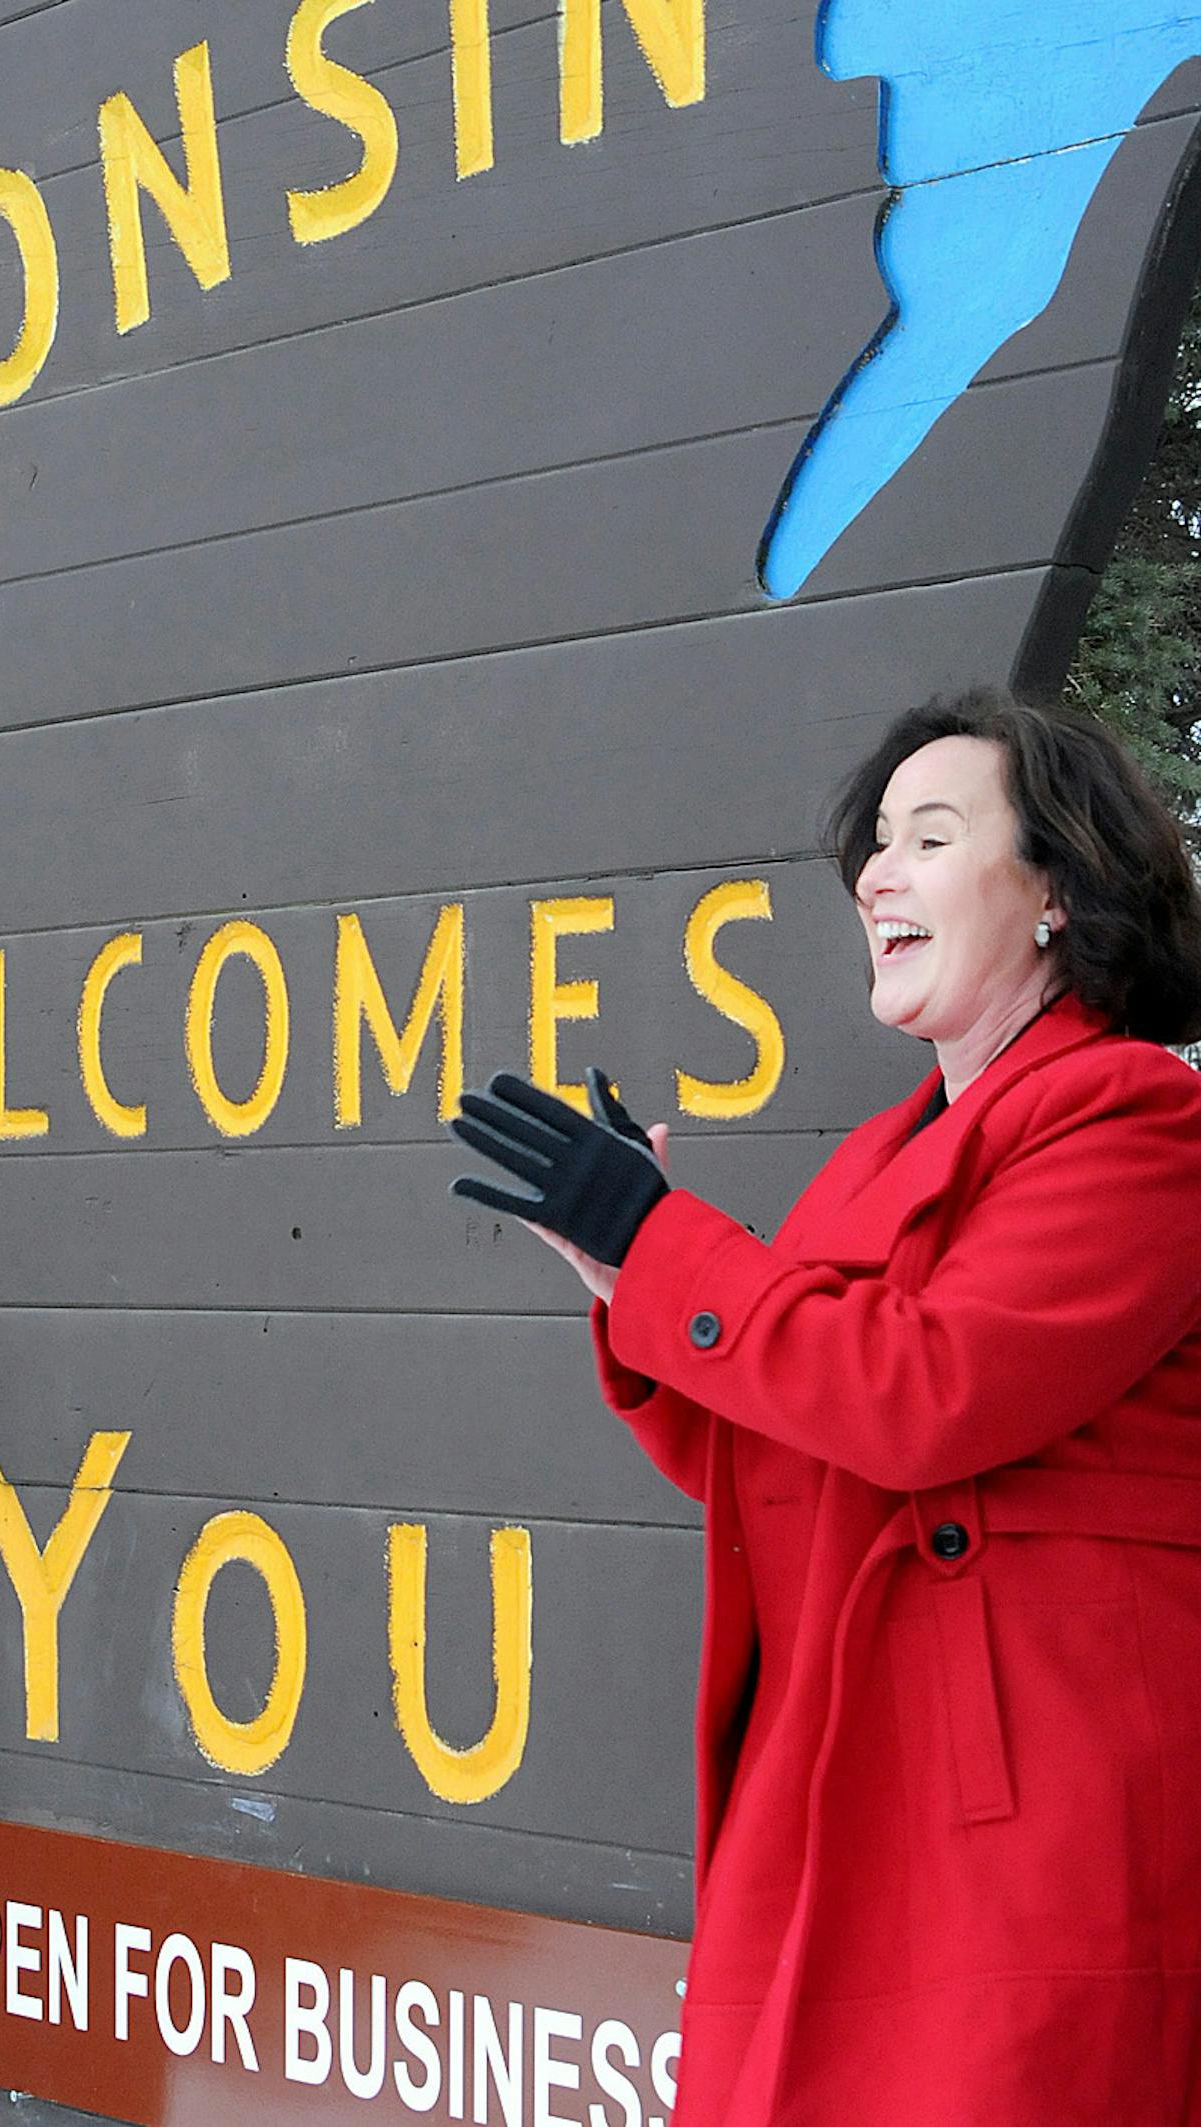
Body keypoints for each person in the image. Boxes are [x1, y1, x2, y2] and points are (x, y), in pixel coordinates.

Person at [449, 691, 1201, 2125]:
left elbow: (926, 1394)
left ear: (1054, 890)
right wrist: (632, 1274)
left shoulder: (1140, 1120)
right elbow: (792, 1456)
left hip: (1030, 1828)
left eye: (931, 835)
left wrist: (675, 1249)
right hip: (850, 1795)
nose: (876, 873)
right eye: (874, 847)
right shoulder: (878, 1155)